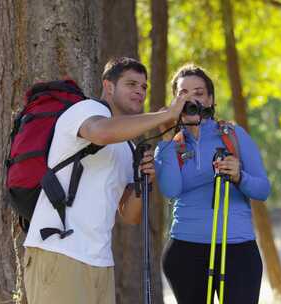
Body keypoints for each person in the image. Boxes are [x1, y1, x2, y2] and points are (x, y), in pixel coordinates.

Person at [23, 57, 187, 304]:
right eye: (131, 84)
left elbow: (129, 215)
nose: (139, 92)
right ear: (108, 86)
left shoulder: (129, 147)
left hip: (101, 262)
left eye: (144, 87)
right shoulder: (86, 110)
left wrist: (144, 183)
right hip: (60, 251)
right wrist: (165, 116)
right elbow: (100, 132)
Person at [155, 64, 271, 304]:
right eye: (183, 94)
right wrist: (166, 140)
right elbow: (170, 190)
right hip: (185, 250)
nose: (191, 100)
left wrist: (240, 176)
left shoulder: (233, 135)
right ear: (175, 102)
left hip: (236, 249)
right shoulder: (169, 143)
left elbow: (263, 190)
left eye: (198, 93)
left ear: (210, 99)